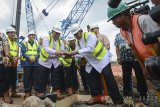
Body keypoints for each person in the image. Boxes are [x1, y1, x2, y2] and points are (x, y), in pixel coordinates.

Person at [107, 1, 160, 102]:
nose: (113, 23)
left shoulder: (142, 20)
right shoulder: (124, 31)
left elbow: (157, 41)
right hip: (151, 63)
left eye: (114, 19)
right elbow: (134, 50)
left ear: (122, 15)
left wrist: (156, 61)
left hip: (156, 60)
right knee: (158, 87)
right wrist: (144, 67)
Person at [66, 24, 123, 106]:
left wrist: (75, 52)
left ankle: (118, 101)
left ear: (81, 31)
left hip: (102, 59)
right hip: (92, 62)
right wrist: (69, 55)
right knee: (89, 75)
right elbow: (78, 54)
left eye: (77, 33)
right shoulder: (78, 42)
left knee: (108, 78)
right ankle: (97, 96)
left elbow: (90, 49)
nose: (76, 36)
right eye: (74, 34)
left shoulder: (89, 35)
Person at [114, 33, 148, 98]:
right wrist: (118, 57)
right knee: (126, 76)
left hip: (136, 59)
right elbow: (117, 47)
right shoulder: (117, 36)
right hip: (124, 59)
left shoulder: (131, 33)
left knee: (140, 75)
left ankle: (143, 94)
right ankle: (127, 93)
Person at [38, 25, 66, 100]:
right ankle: (41, 92)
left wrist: (65, 55)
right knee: (43, 77)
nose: (57, 35)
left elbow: (62, 51)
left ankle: (57, 92)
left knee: (56, 77)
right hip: (45, 61)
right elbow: (46, 48)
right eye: (56, 33)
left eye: (58, 33)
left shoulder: (61, 42)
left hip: (55, 61)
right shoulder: (46, 38)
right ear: (52, 32)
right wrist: (56, 52)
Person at [21, 31, 40, 99]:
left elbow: (39, 53)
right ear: (28, 36)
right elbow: (23, 52)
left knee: (36, 78)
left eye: (34, 35)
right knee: (27, 78)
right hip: (27, 64)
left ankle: (37, 91)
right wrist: (29, 58)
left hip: (35, 64)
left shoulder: (37, 44)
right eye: (32, 35)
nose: (33, 36)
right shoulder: (24, 43)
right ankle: (27, 92)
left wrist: (35, 58)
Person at [6, 27, 21, 98]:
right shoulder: (5, 42)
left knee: (14, 78)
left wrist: (16, 60)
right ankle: (6, 93)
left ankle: (13, 92)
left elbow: (17, 53)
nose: (13, 34)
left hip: (14, 64)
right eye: (11, 33)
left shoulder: (16, 44)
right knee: (7, 79)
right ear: (7, 33)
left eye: (14, 33)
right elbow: (5, 52)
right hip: (7, 63)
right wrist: (12, 59)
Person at [0, 32, 13, 104]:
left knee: (3, 78)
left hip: (1, 60)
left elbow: (5, 44)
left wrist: (7, 56)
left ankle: (2, 96)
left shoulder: (1, 35)